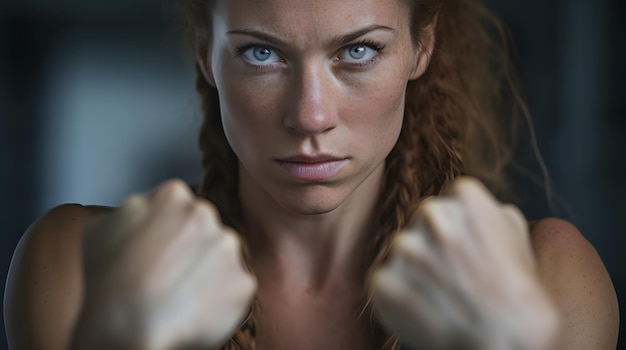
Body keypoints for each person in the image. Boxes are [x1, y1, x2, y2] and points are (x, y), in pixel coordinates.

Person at [4, 0, 619, 349]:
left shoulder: (550, 279)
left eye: (358, 51)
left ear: (420, 48)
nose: (310, 116)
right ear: (206, 55)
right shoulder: (74, 266)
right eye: (262, 53)